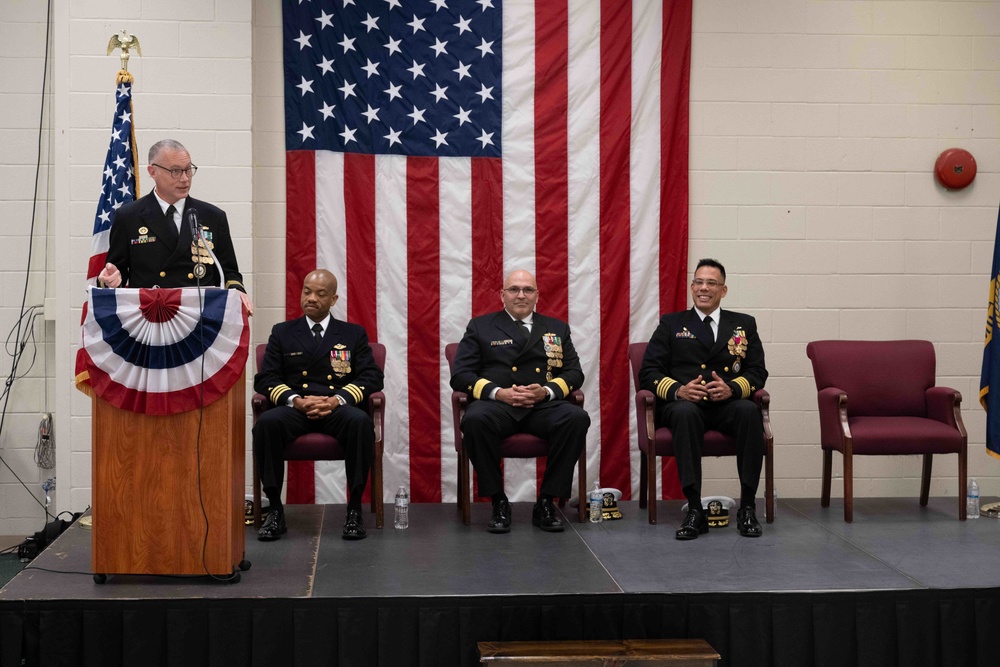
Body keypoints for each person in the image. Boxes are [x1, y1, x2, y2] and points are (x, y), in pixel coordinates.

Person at [450, 269, 590, 534]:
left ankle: (547, 502)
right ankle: (498, 501)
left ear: (537, 295)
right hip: (498, 406)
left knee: (576, 418)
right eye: (514, 289)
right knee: (475, 420)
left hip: (541, 406)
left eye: (528, 290)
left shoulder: (556, 328)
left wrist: (545, 392)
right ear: (503, 295)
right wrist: (498, 392)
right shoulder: (480, 326)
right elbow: (461, 375)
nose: (521, 295)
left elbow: (574, 373)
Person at [639, 258, 768, 540]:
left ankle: (747, 507)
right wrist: (678, 390)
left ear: (723, 290)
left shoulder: (743, 324)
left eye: (711, 283)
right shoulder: (671, 323)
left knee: (749, 412)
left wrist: (733, 389)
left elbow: (758, 371)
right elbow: (648, 372)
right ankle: (695, 510)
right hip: (684, 404)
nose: (704, 288)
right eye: (699, 282)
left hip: (726, 405)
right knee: (685, 413)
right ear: (691, 287)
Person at [252, 269, 383, 541]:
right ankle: (275, 510)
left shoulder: (352, 333)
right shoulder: (283, 332)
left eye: (320, 294)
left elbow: (372, 376)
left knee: (361, 424)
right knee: (266, 424)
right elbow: (266, 378)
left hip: (336, 407)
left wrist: (337, 399)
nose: (311, 298)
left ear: (333, 299)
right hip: (297, 407)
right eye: (307, 291)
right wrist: (296, 401)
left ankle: (355, 509)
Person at [98, 139, 254, 315]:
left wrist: (238, 291)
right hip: (150, 318)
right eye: (175, 171)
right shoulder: (129, 217)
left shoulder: (212, 217)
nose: (185, 178)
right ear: (153, 171)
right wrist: (112, 280)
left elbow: (228, 272)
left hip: (200, 319)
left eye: (188, 170)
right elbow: (117, 272)